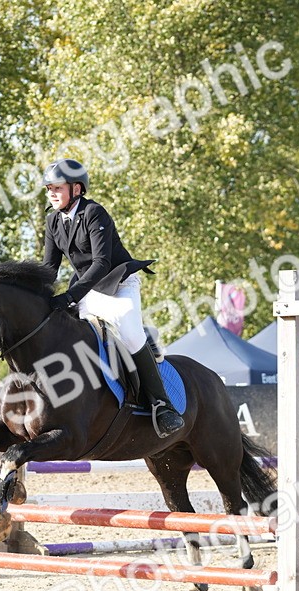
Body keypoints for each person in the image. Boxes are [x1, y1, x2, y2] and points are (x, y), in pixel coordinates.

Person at [40, 158, 185, 438]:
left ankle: (162, 405)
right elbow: (48, 269)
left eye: (57, 188)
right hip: (87, 287)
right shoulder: (53, 221)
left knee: (127, 329)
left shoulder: (94, 213)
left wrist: (70, 296)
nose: (52, 193)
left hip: (118, 281)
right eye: (49, 189)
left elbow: (101, 263)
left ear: (77, 189)